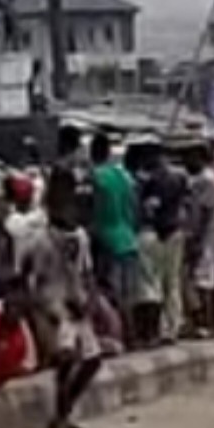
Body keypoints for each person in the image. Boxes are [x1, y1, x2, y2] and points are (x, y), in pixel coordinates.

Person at [15, 164, 101, 428]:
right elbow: (26, 273)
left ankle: (64, 413)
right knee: (66, 361)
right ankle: (60, 418)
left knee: (92, 360)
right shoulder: (39, 237)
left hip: (77, 301)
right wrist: (39, 309)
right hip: (53, 303)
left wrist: (92, 298)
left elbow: (87, 271)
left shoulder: (80, 236)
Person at [88, 134, 142, 340]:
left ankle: (121, 334)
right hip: (128, 238)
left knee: (112, 292)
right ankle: (133, 334)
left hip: (106, 240)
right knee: (129, 293)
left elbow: (92, 210)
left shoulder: (95, 177)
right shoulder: (122, 176)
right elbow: (133, 207)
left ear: (93, 153)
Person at [138, 142, 188, 342]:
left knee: (157, 282)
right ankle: (174, 326)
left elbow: (150, 208)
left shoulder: (153, 181)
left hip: (160, 233)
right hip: (176, 230)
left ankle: (163, 328)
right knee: (173, 282)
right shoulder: (179, 177)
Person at [184, 143, 214, 337]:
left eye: (189, 157)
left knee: (204, 281)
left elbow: (202, 212)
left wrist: (195, 239)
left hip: (207, 235)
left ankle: (208, 323)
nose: (186, 162)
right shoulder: (213, 179)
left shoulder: (205, 181)